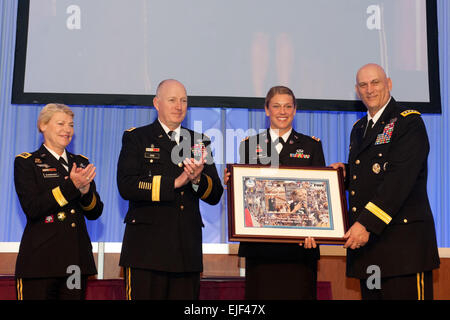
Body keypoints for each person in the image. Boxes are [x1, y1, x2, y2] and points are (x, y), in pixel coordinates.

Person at [331, 63, 440, 300]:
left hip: (403, 251)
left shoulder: (408, 122)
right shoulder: (359, 128)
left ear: (388, 84)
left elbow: (399, 180)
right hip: (370, 252)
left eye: (375, 82)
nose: (369, 89)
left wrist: (366, 224)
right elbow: (372, 172)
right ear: (357, 91)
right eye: (363, 85)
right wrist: (346, 174)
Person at [117, 79, 223, 300]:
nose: (179, 106)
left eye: (184, 101)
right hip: (146, 250)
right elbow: (126, 185)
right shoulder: (136, 137)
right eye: (172, 100)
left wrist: (196, 180)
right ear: (157, 103)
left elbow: (215, 194)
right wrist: (175, 183)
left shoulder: (199, 141)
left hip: (186, 250)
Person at [224, 86, 326, 299]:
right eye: (276, 106)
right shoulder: (250, 146)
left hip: (300, 248)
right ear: (267, 110)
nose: (283, 111)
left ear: (295, 110)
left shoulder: (311, 146)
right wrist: (233, 185)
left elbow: (319, 198)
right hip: (262, 248)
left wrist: (316, 232)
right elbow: (247, 199)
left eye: (288, 106)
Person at [13, 103, 103, 300]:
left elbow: (95, 212)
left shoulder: (80, 163)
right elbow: (33, 208)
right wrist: (71, 187)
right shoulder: (27, 162)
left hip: (75, 263)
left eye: (71, 125)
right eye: (61, 123)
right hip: (40, 262)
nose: (67, 130)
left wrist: (86, 192)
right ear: (43, 126)